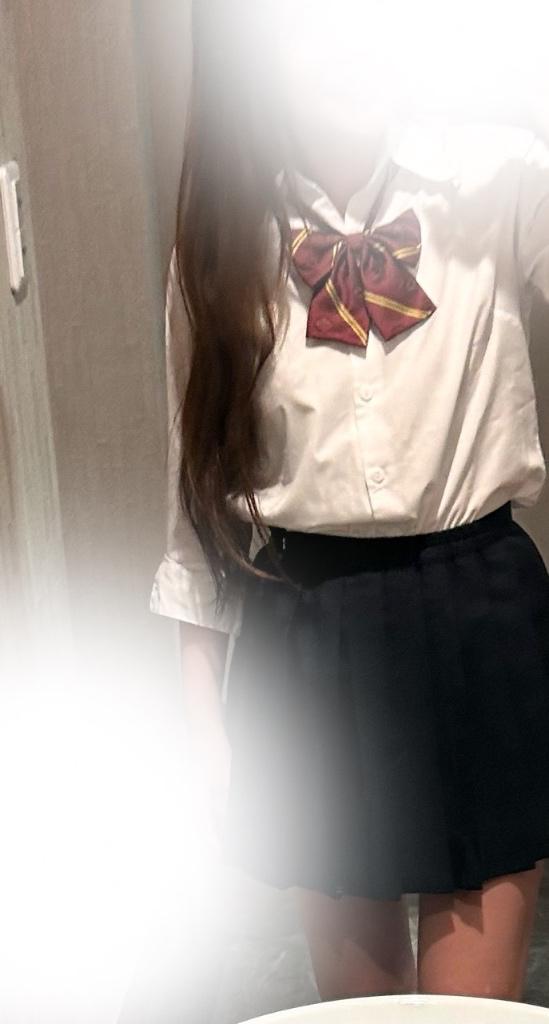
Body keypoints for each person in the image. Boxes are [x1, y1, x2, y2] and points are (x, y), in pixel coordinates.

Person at [149, 0, 549, 1003]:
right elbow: (194, 507)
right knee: (360, 1014)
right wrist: (204, 731)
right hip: (307, 635)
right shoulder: (220, 238)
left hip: (481, 616)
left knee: (469, 1015)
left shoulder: (504, 179)